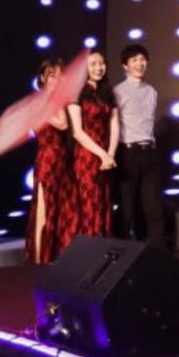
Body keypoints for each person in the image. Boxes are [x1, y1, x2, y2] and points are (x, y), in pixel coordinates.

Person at [65, 49, 118, 246]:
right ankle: (90, 248)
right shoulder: (77, 92)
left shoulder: (107, 92)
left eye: (101, 63)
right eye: (93, 64)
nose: (99, 68)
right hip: (87, 155)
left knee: (104, 201)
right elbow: (77, 132)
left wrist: (110, 154)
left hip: (106, 156)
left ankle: (104, 246)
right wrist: (102, 154)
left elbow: (114, 124)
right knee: (90, 202)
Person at [113, 44, 164, 246]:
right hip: (128, 152)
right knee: (127, 207)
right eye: (134, 60)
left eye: (142, 59)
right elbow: (114, 124)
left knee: (154, 206)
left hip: (149, 152)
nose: (139, 64)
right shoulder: (118, 91)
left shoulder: (152, 91)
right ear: (125, 66)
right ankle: (125, 250)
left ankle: (158, 251)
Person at [25, 58, 74, 264]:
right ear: (43, 78)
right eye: (52, 75)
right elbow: (61, 124)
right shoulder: (37, 101)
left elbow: (64, 126)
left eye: (60, 75)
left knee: (63, 209)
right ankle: (38, 260)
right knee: (43, 211)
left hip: (62, 158)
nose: (56, 79)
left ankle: (56, 256)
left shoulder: (57, 100)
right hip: (47, 159)